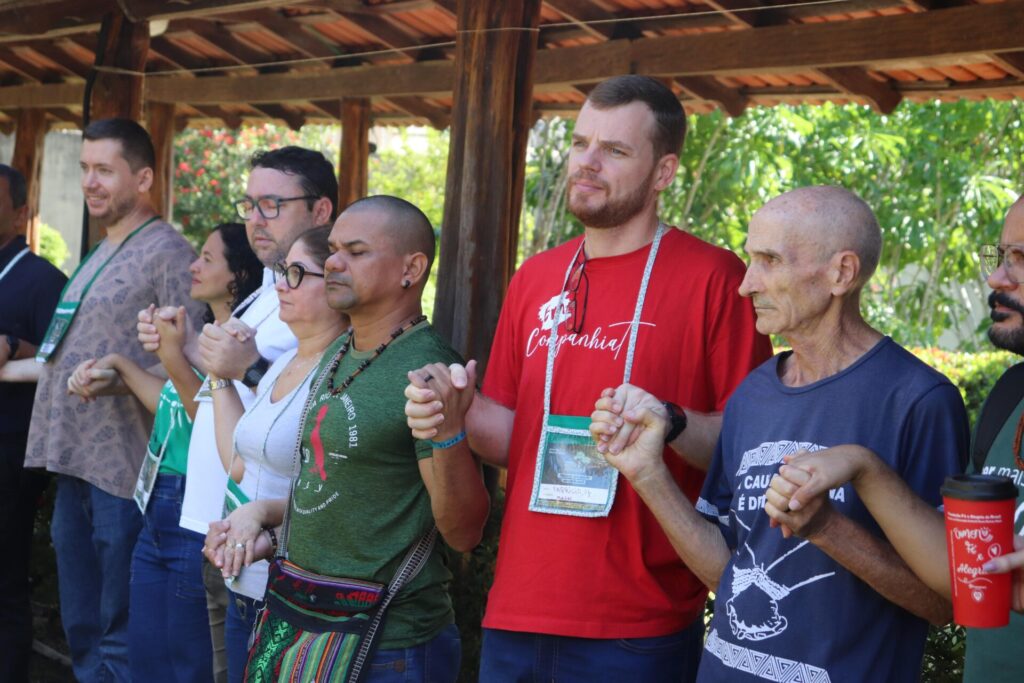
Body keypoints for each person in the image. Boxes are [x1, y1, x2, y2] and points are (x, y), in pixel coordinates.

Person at [404, 75, 771, 681]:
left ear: (664, 171)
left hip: (638, 621)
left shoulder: (716, 278)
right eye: (580, 143)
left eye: (616, 150)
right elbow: (515, 439)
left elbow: (745, 446)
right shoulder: (538, 276)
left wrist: (667, 423)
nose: (588, 162)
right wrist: (458, 412)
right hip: (517, 608)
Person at [590, 186, 967, 682]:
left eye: (769, 260)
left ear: (841, 273)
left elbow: (941, 604)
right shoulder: (754, 394)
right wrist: (647, 474)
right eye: (751, 260)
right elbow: (726, 572)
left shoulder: (919, 401)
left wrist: (828, 529)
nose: (746, 285)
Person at [205, 195, 489, 682]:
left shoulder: (426, 370)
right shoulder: (339, 351)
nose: (334, 262)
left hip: (390, 645)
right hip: (304, 623)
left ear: (411, 268)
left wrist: (448, 436)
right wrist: (263, 528)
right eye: (333, 249)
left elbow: (464, 533)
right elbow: (341, 494)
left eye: (355, 252)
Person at [765, 193, 1024, 683]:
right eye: (1001, 255)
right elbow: (957, 577)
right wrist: (863, 469)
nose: (997, 279)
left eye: (1022, 260)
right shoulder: (1010, 395)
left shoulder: (924, 396)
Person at [137, 145, 336, 683]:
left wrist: (234, 369)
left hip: (266, 545)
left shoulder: (321, 301)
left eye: (271, 204)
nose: (254, 219)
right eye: (249, 204)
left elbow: (297, 425)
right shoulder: (268, 295)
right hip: (221, 536)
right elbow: (224, 408)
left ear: (321, 212)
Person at [22, 118, 205, 683]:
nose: (90, 182)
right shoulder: (101, 249)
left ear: (144, 177)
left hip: (127, 473)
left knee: (121, 636)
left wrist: (124, 376)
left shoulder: (169, 252)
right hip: (75, 462)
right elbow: (62, 351)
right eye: (84, 169)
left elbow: (193, 359)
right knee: (83, 630)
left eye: (105, 170)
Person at [66, 222, 262, 683]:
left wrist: (175, 353)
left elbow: (205, 418)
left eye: (209, 259)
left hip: (194, 508)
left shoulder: (240, 344)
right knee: (148, 656)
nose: (194, 265)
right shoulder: (208, 334)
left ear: (239, 275)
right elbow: (173, 404)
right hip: (157, 500)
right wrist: (120, 364)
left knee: (185, 662)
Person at [206, 226, 348, 676]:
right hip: (245, 580)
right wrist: (220, 376)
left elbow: (344, 490)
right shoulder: (285, 358)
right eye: (284, 271)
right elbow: (238, 464)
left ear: (339, 283)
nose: (281, 285)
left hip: (296, 595)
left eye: (298, 274)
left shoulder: (344, 370)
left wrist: (260, 515)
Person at [0, 163, 67, 683]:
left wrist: (9, 346)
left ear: (22, 211)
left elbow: (64, 362)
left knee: (4, 579)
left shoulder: (43, 279)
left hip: (11, 451)